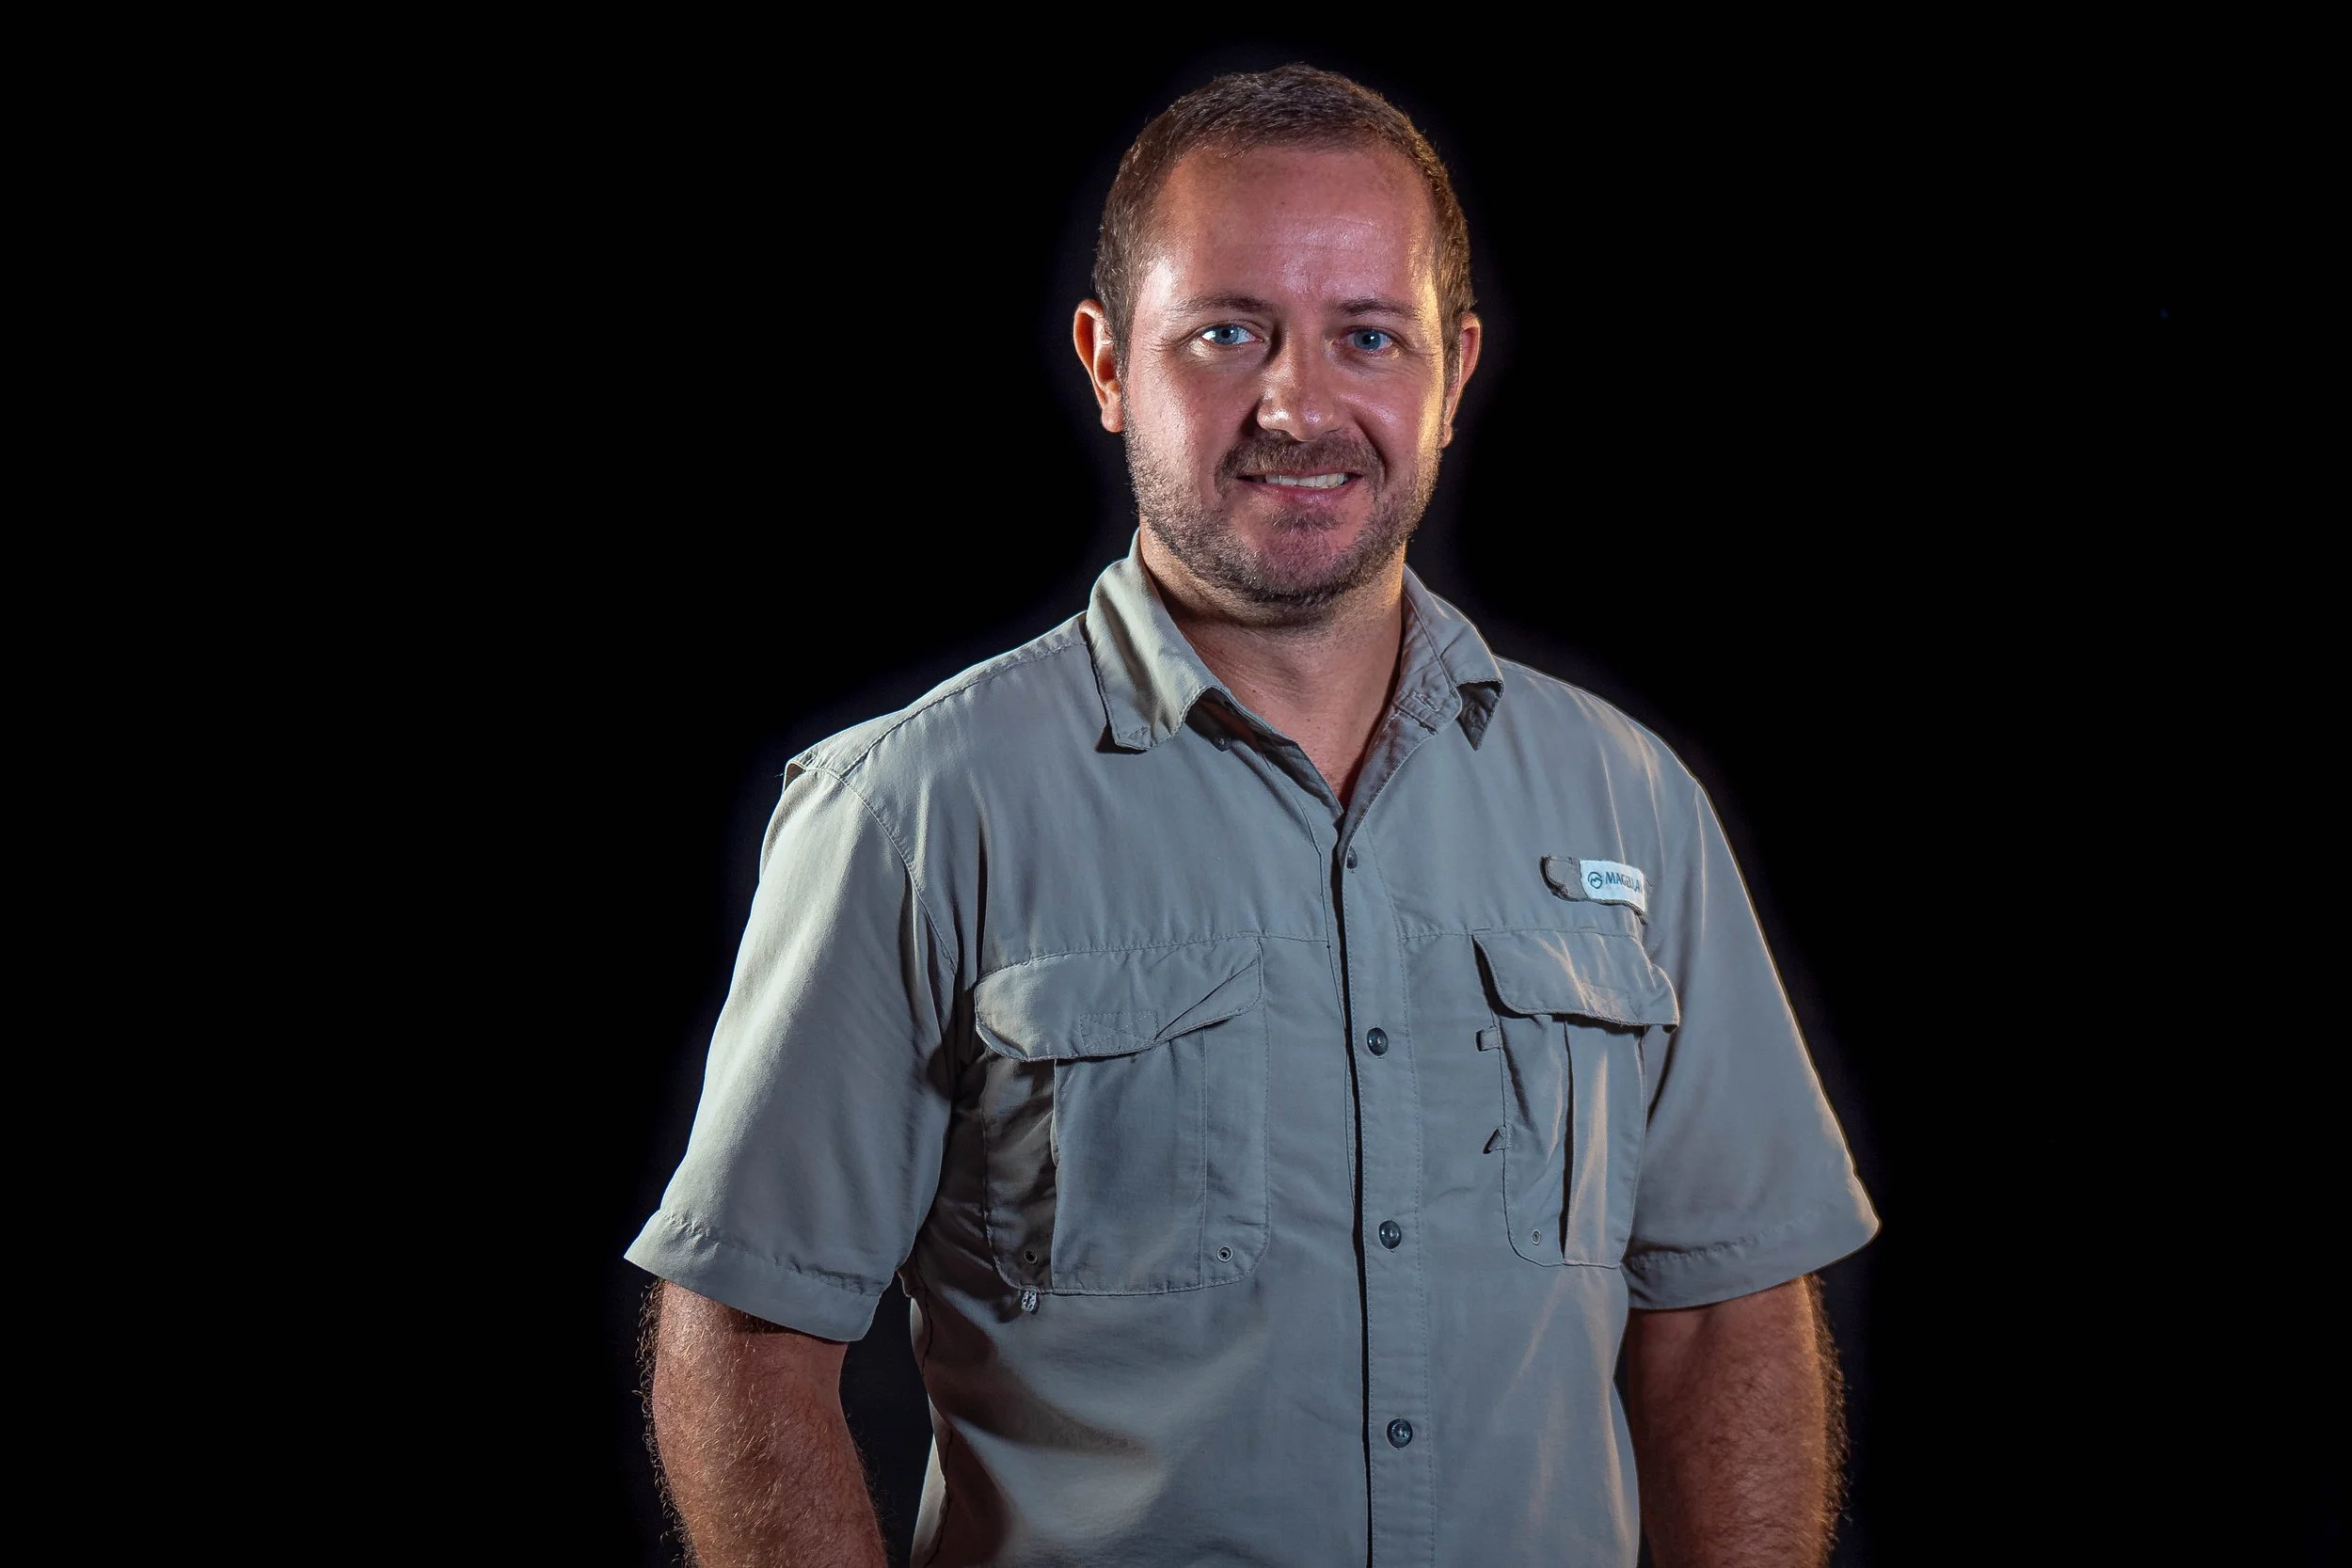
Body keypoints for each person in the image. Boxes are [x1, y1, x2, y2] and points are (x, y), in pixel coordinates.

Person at [628, 64, 1878, 1568]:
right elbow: (748, 1332)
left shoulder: (1632, 803)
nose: (1300, 404)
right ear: (1105, 364)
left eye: (1369, 336)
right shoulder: (914, 810)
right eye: (1227, 333)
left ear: (1454, 373)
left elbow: (1726, 1320)